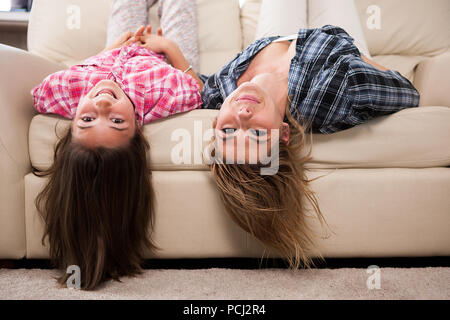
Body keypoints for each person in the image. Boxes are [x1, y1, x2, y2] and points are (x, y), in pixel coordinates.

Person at [201, 25, 420, 269]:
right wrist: (359, 61)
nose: (242, 115)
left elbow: (196, 84)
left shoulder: (219, 91)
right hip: (332, 26)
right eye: (258, 134)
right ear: (284, 133)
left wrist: (168, 48)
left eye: (228, 132)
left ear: (215, 122)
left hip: (274, 29)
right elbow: (408, 92)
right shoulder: (322, 99)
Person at [31, 25, 202, 290]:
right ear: (138, 132)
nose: (101, 105)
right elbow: (196, 89)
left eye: (86, 120)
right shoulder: (161, 97)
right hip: (160, 53)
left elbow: (39, 93)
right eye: (117, 121)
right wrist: (169, 47)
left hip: (117, 44)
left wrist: (110, 50)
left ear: (72, 123)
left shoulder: (67, 93)